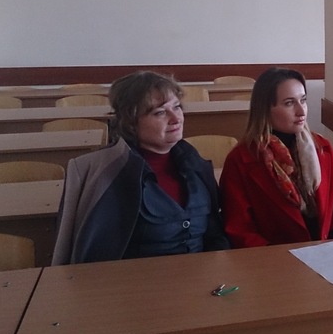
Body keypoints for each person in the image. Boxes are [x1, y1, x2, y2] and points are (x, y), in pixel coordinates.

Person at [52, 71, 230, 265]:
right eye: (160, 112)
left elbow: (215, 233)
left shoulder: (195, 164)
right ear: (130, 122)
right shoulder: (102, 172)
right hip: (136, 281)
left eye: (177, 107)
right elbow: (93, 255)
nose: (176, 118)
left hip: (203, 277)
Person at [219, 67, 333, 247]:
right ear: (265, 109)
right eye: (289, 103)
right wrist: (279, 257)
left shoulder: (322, 148)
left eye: (303, 100)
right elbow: (240, 228)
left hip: (326, 252)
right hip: (273, 258)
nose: (301, 111)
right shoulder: (241, 160)